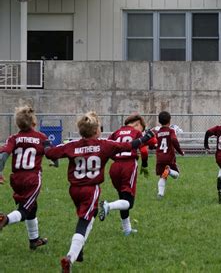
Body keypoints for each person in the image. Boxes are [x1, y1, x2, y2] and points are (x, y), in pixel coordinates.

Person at [45, 111, 154, 272]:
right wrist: (144, 138)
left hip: (74, 189)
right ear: (97, 130)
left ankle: (79, 251)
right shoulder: (104, 145)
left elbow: (50, 152)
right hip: (91, 189)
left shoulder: (72, 145)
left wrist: (45, 143)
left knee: (87, 216)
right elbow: (128, 146)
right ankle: (70, 257)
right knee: (85, 221)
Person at [0, 106, 54, 250]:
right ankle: (4, 219)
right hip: (32, 179)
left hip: (16, 179)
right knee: (25, 209)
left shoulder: (14, 138)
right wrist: (55, 161)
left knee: (32, 207)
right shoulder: (42, 137)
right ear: (33, 122)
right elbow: (50, 153)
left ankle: (34, 240)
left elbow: (3, 156)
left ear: (17, 123)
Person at [99, 114, 157, 235]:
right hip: (129, 165)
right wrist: (150, 137)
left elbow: (108, 148)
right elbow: (147, 147)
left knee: (123, 198)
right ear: (137, 124)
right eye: (142, 127)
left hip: (114, 166)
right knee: (128, 202)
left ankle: (127, 229)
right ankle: (108, 205)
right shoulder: (136, 133)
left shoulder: (115, 133)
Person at [152, 111, 184, 199]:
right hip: (169, 157)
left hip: (159, 158)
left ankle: (160, 194)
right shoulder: (171, 131)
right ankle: (169, 171)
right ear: (169, 121)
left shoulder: (157, 132)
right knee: (176, 174)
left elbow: (152, 143)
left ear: (159, 121)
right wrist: (180, 151)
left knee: (162, 176)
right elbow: (174, 140)